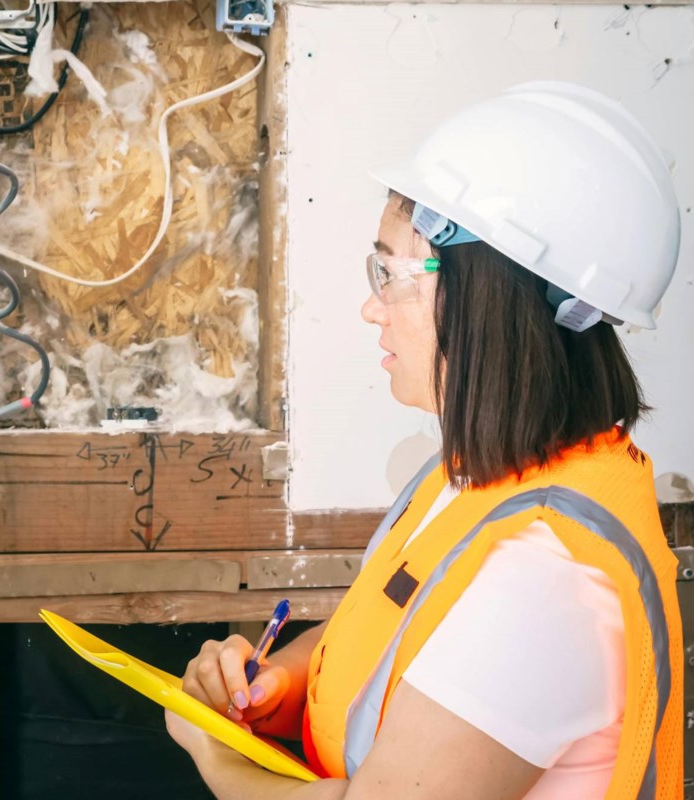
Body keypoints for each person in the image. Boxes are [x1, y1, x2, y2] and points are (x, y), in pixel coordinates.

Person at [168, 82, 683, 799]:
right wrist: (271, 684)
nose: (371, 307)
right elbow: (397, 632)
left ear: (488, 295)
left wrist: (209, 748)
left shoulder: (547, 578)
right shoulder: (476, 478)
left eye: (391, 273)